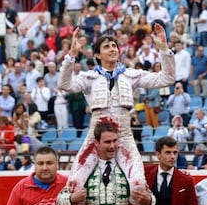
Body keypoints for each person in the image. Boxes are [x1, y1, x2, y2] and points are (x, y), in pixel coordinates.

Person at [58, 24, 175, 193]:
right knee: (74, 184)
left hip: (124, 136)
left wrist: (164, 49)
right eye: (107, 46)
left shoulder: (130, 75)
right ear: (98, 54)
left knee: (139, 185)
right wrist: (72, 55)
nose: (112, 49)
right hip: (95, 137)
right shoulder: (89, 77)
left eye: (114, 46)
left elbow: (167, 79)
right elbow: (64, 84)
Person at [57, 121, 154, 205]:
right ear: (97, 143)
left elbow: (151, 197)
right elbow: (60, 199)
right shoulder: (85, 170)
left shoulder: (127, 168)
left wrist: (148, 201)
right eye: (108, 142)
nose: (113, 146)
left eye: (115, 141)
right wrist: (72, 198)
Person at [3, 147, 83, 205]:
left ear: (57, 165)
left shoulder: (68, 184)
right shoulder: (22, 187)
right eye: (40, 163)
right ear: (35, 165)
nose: (45, 168)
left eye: (49, 163)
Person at [135, 136, 199, 205]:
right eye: (168, 152)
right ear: (158, 155)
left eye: (175, 152)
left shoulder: (185, 180)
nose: (173, 156)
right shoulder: (144, 173)